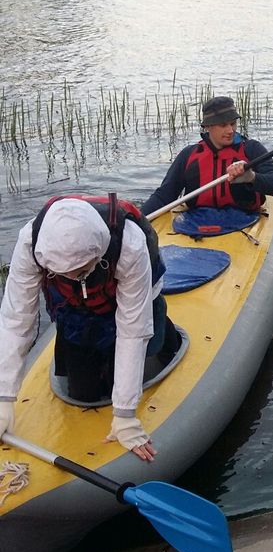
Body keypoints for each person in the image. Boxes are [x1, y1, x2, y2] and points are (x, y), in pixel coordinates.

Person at [0, 195, 180, 462]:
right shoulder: (31, 242)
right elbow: (16, 321)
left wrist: (125, 415)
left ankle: (168, 337)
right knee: (83, 389)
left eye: (81, 270)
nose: (75, 277)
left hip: (134, 295)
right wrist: (4, 397)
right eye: (66, 273)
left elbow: (132, 329)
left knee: (150, 344)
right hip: (77, 309)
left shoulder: (130, 244)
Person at [141, 96, 273, 217]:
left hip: (245, 219)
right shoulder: (189, 155)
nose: (230, 130)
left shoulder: (252, 149)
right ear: (208, 126)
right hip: (195, 222)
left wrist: (252, 178)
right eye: (223, 125)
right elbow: (164, 196)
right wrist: (138, 218)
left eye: (233, 123)